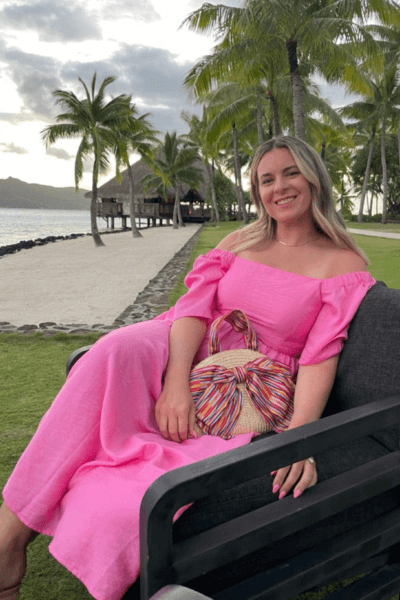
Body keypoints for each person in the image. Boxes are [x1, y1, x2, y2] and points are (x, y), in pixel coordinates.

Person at [0, 136, 375, 600]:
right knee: (113, 349)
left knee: (128, 460)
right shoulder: (241, 240)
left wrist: (301, 441)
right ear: (256, 191)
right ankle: (9, 536)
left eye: (290, 173)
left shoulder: (342, 262)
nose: (279, 187)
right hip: (184, 343)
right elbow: (194, 307)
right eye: (266, 179)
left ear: (314, 178)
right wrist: (176, 383)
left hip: (242, 383)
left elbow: (321, 354)